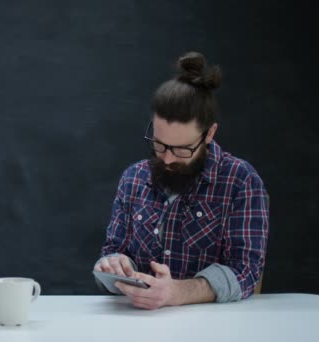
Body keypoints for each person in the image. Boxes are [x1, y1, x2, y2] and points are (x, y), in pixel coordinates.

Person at [94, 51, 269, 310]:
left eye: (181, 149)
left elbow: (246, 273)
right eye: (159, 145)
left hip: (216, 328)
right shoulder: (133, 178)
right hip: (138, 326)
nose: (166, 159)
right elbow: (112, 252)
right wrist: (113, 266)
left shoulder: (241, 181)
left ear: (209, 134)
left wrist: (177, 292)